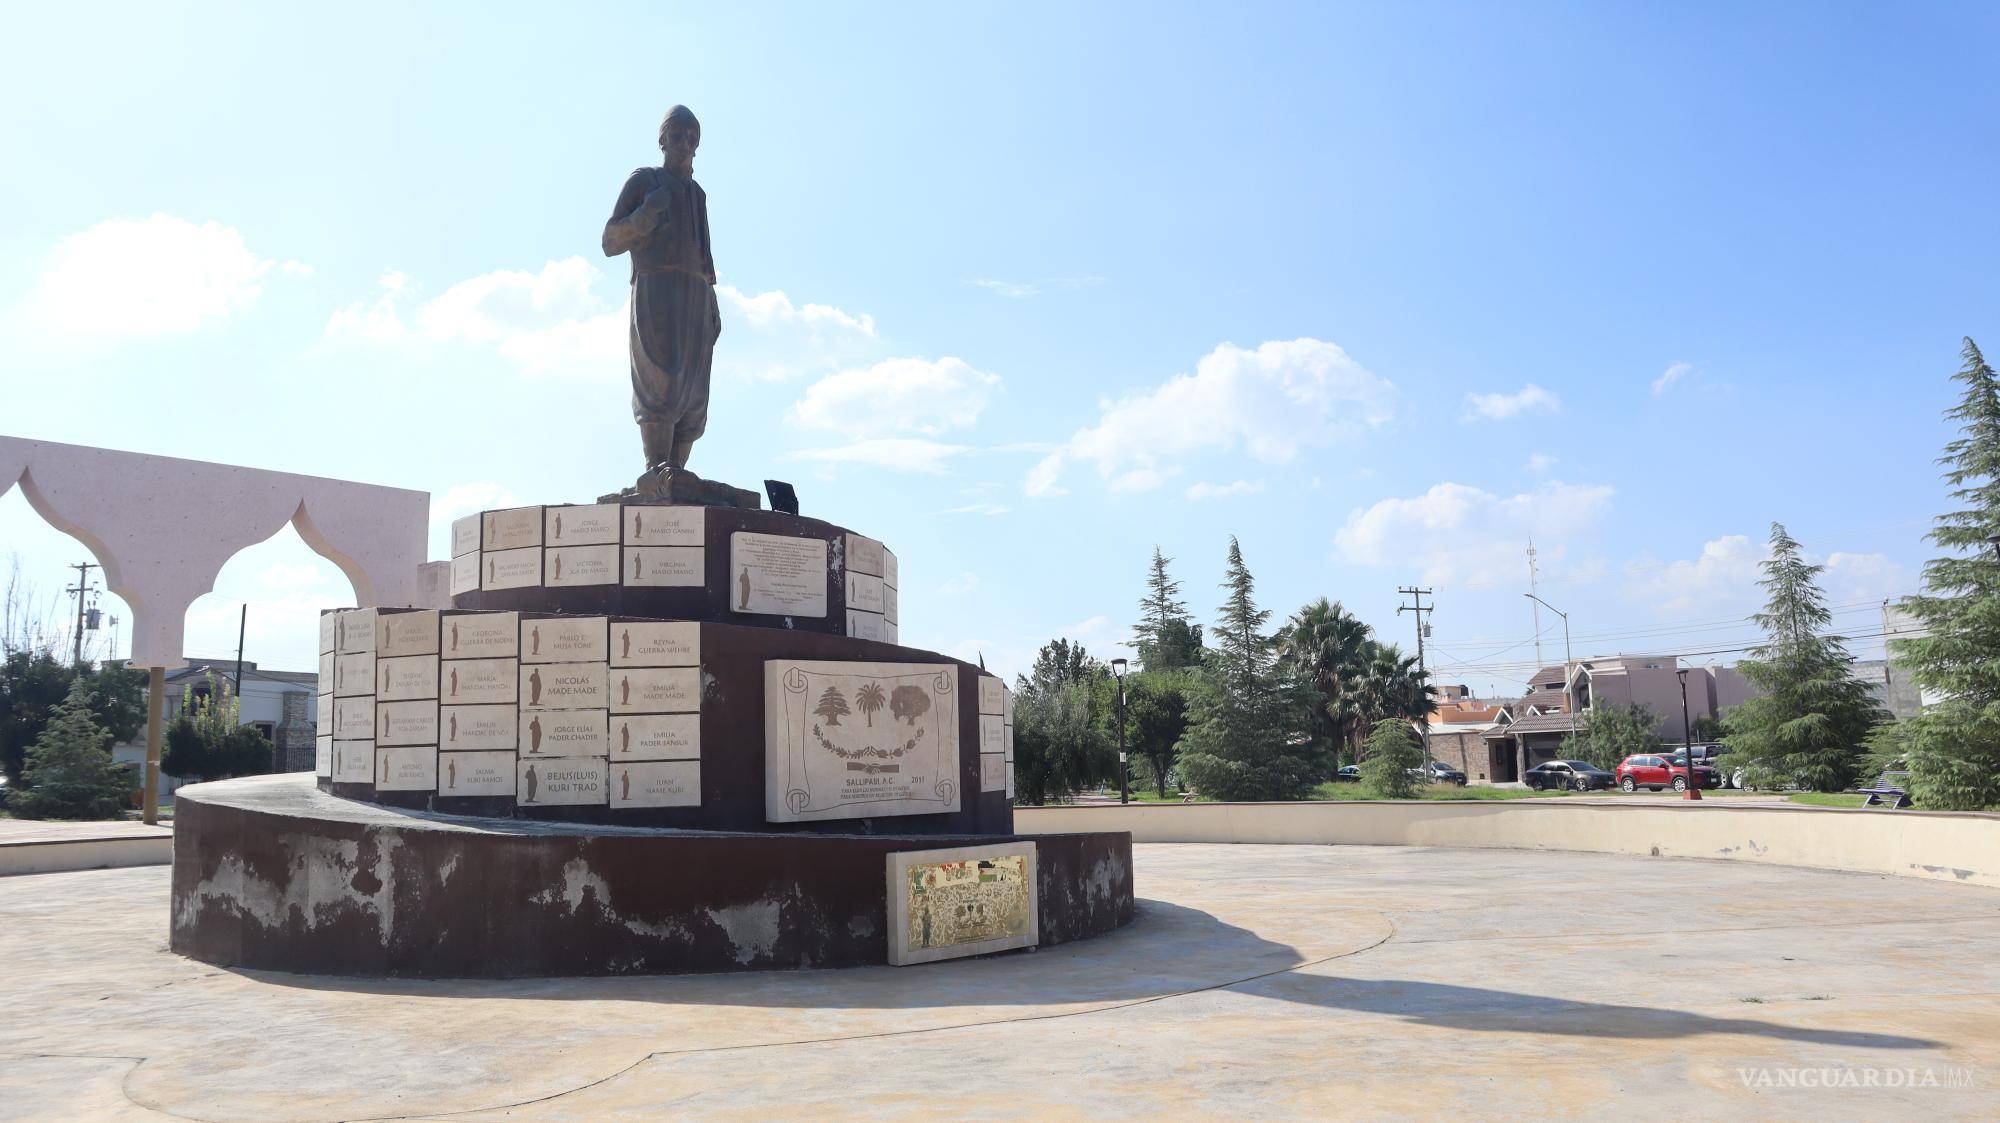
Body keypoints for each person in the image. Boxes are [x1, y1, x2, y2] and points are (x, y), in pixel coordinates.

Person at [602, 105, 719, 474]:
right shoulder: (645, 181)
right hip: (657, 288)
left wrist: (711, 301)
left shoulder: (698, 195)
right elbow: (610, 241)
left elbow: (705, 257)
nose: (684, 142)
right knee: (661, 378)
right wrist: (647, 213)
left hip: (696, 296)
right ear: (662, 139)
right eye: (677, 134)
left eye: (691, 136)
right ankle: (656, 468)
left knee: (695, 390)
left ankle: (678, 473)